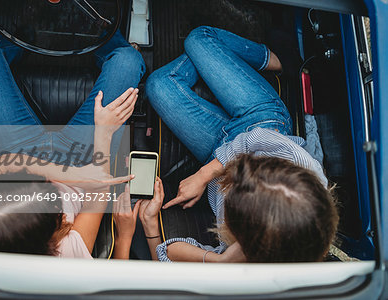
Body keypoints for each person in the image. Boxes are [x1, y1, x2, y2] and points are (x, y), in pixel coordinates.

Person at [0, 27, 146, 258]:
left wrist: (65, 175)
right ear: (47, 240)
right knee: (128, 61)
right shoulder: (65, 258)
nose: (47, 181)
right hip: (80, 163)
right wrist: (104, 133)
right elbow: (95, 200)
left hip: (15, 153)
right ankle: (87, 30)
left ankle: (29, 32)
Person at [144, 26, 339, 262]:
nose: (239, 174)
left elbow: (166, 255)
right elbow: (254, 139)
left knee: (158, 84)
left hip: (216, 148)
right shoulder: (306, 172)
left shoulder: (248, 253)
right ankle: (273, 59)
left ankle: (214, 59)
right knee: (200, 38)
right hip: (261, 122)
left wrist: (220, 261)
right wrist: (204, 175)